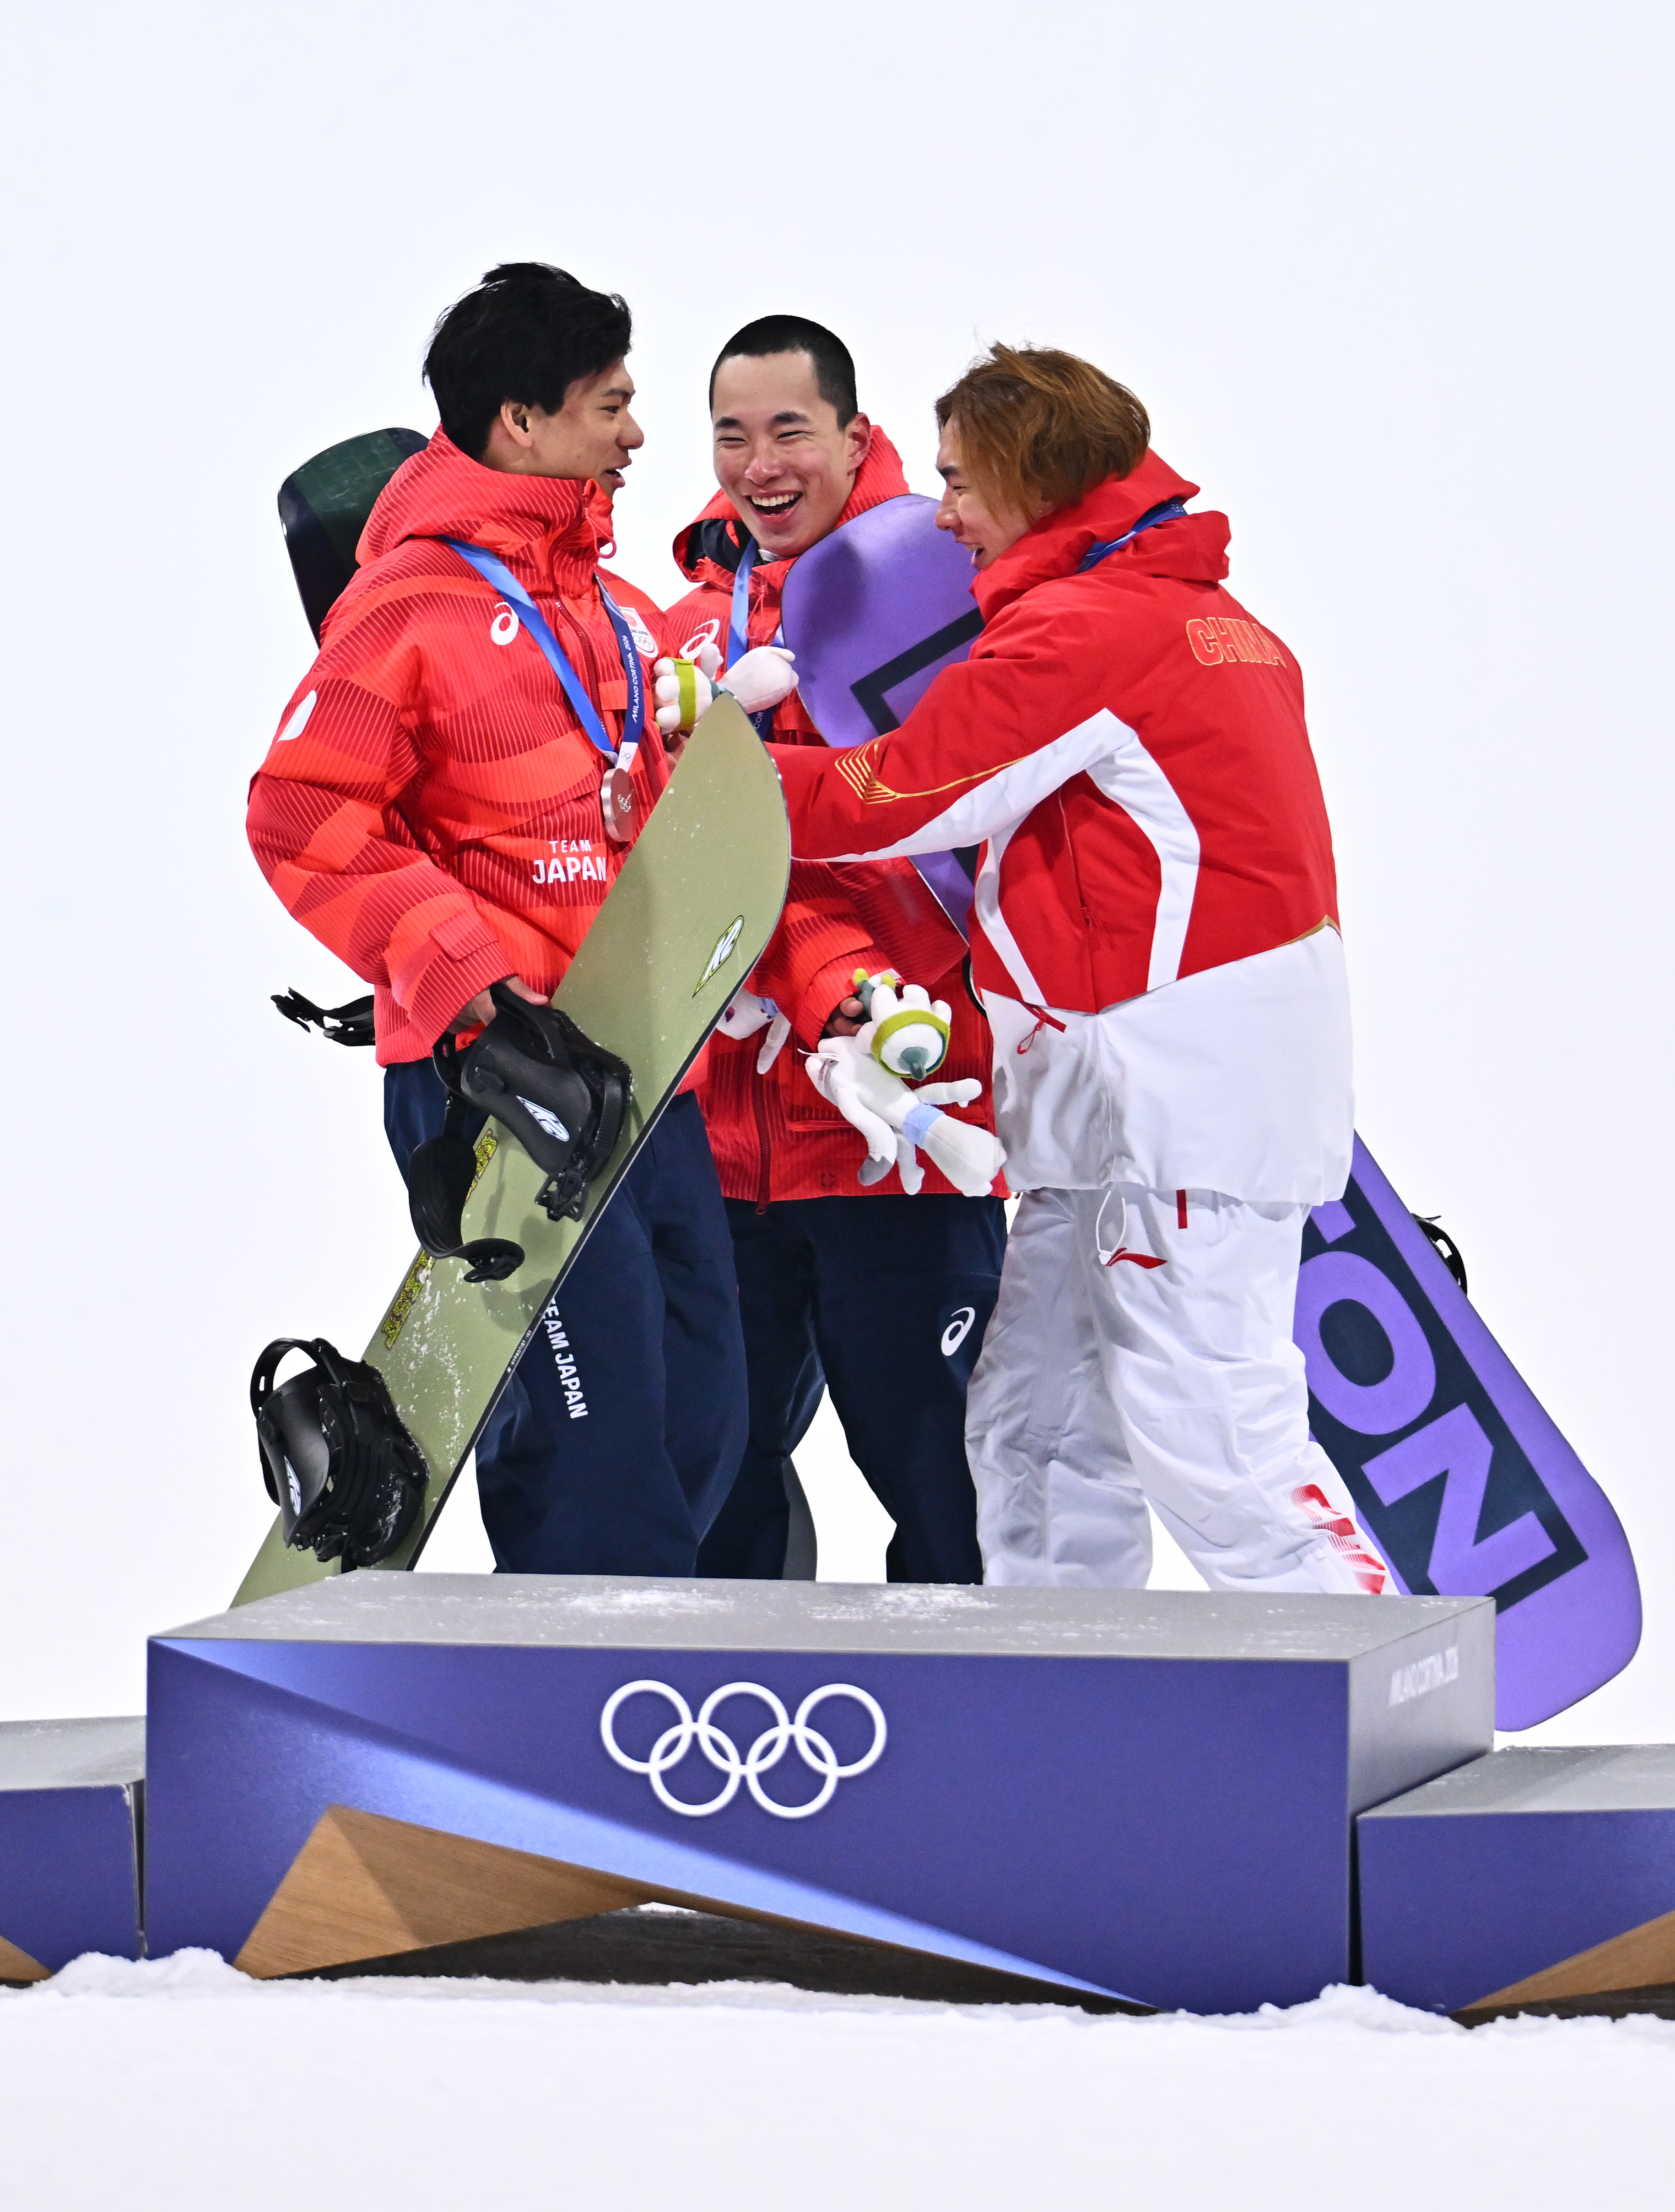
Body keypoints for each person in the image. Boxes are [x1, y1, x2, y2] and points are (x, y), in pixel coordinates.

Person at [766, 343, 1391, 1596]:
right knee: (1037, 1435)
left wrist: (702, 786)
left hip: (1169, 1111)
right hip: (1124, 1114)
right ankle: (1059, 1683)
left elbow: (900, 794)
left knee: (1218, 1444)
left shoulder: (1091, 630)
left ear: (1032, 478)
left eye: (960, 482)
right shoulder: (1208, 623)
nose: (943, 517)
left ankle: (1348, 1684)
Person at [246, 262, 794, 1577]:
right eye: (611, 404)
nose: (638, 432)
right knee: (597, 1444)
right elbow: (300, 815)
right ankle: (578, 1668)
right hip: (501, 1073)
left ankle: (609, 1635)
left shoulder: (604, 608)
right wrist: (477, 1001)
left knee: (709, 1412)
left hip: (636, 1067)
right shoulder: (409, 606)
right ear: (521, 422)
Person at [663, 316, 1007, 1583]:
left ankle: (988, 1710)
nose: (761, 465)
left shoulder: (945, 588)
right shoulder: (683, 634)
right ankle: (734, 1710)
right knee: (715, 1492)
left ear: (856, 438)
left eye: (790, 431)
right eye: (733, 435)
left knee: (949, 1486)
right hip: (721, 1145)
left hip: (903, 1126)